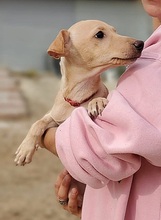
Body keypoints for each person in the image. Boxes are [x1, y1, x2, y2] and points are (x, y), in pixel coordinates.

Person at [43, 0, 161, 219]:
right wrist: (98, 193)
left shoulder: (154, 64)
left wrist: (42, 135)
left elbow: (100, 152)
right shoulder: (148, 56)